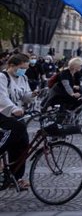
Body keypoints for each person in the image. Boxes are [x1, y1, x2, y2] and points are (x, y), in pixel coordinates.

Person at [0, 53, 34, 190]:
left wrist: (33, 95)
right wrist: (13, 109)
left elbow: (24, 96)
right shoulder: (3, 77)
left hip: (16, 115)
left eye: (25, 68)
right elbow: (1, 97)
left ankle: (16, 177)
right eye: (21, 68)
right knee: (16, 129)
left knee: (23, 144)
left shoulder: (23, 78)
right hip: (3, 113)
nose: (23, 71)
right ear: (11, 66)